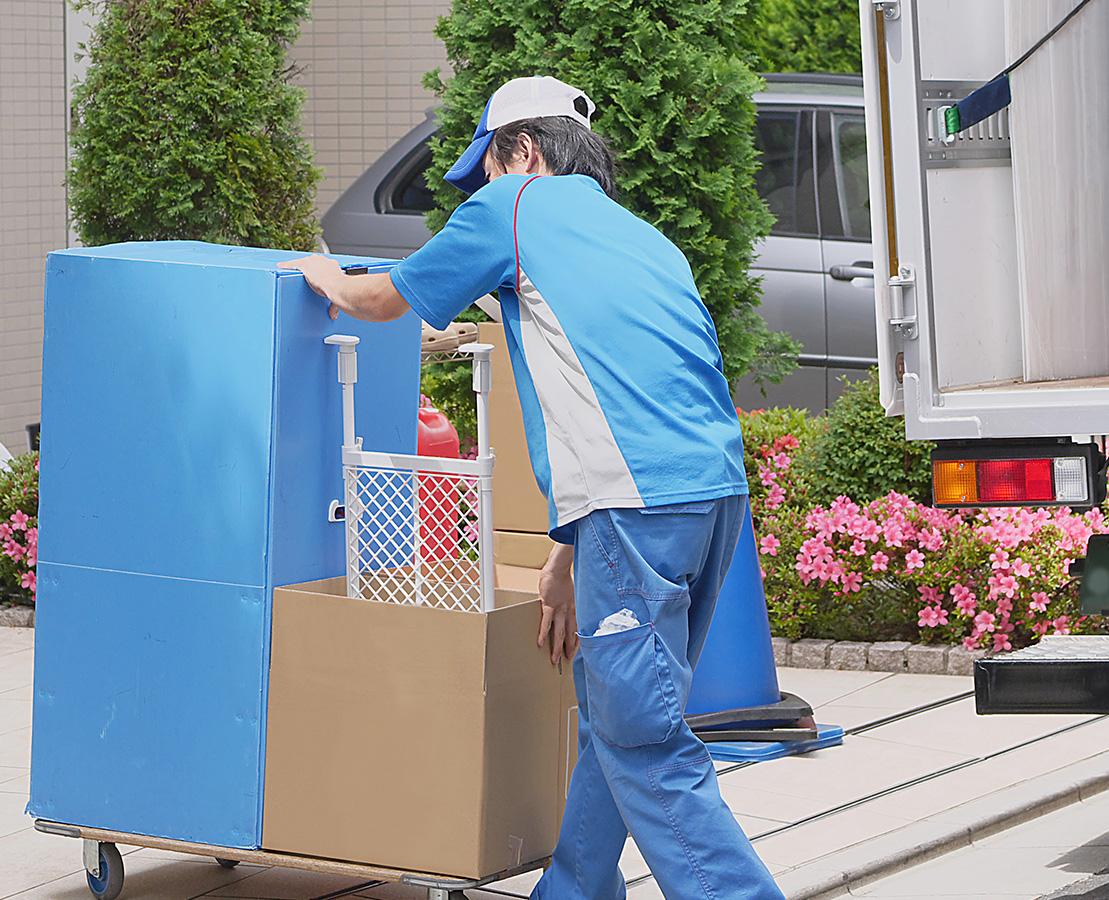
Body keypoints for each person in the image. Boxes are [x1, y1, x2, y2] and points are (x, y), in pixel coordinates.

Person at [279, 75, 786, 900]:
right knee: (613, 715)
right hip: (712, 498)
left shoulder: (513, 205)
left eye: (486, 163)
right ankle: (575, 889)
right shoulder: (639, 236)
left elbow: (385, 299)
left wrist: (326, 277)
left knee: (642, 737)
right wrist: (565, 550)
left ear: (524, 151)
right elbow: (628, 391)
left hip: (636, 508)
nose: (479, 185)